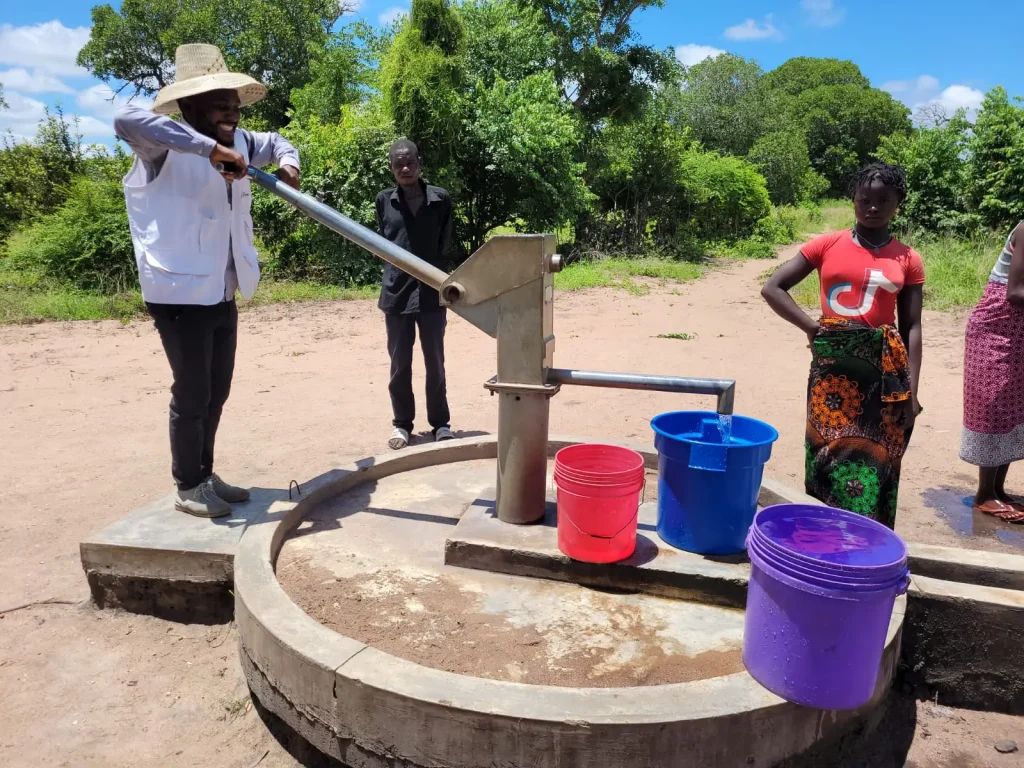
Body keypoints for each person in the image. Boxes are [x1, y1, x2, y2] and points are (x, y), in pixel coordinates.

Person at [113, 44, 300, 518]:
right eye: (221, 104)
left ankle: (205, 473)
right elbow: (124, 119)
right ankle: (187, 484)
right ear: (191, 107)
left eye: (235, 105)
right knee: (193, 389)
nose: (232, 113)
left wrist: (289, 163)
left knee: (217, 390)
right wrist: (208, 147)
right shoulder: (162, 144)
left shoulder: (239, 141)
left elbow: (277, 140)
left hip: (220, 287)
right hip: (177, 291)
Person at [761, 162, 924, 528]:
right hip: (832, 371)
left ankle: (867, 539)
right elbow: (772, 287)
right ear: (853, 199)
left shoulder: (908, 258)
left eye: (883, 199)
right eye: (864, 198)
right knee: (827, 449)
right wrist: (811, 328)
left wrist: (911, 390)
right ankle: (823, 536)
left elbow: (912, 326)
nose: (872, 207)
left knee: (878, 455)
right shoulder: (826, 244)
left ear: (899, 202)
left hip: (885, 373)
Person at [376, 139, 456, 450]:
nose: (405, 168)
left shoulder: (440, 199)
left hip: (432, 292)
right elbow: (384, 240)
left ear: (419, 163)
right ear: (391, 168)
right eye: (398, 164)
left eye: (409, 162)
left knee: (435, 362)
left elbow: (444, 242)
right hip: (396, 294)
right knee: (400, 364)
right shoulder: (384, 200)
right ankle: (402, 425)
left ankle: (441, 423)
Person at [959, 222, 1024, 521]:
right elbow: (1015, 292)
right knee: (992, 407)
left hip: (1018, 331)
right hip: (994, 328)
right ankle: (984, 495)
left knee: (1012, 409)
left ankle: (998, 490)